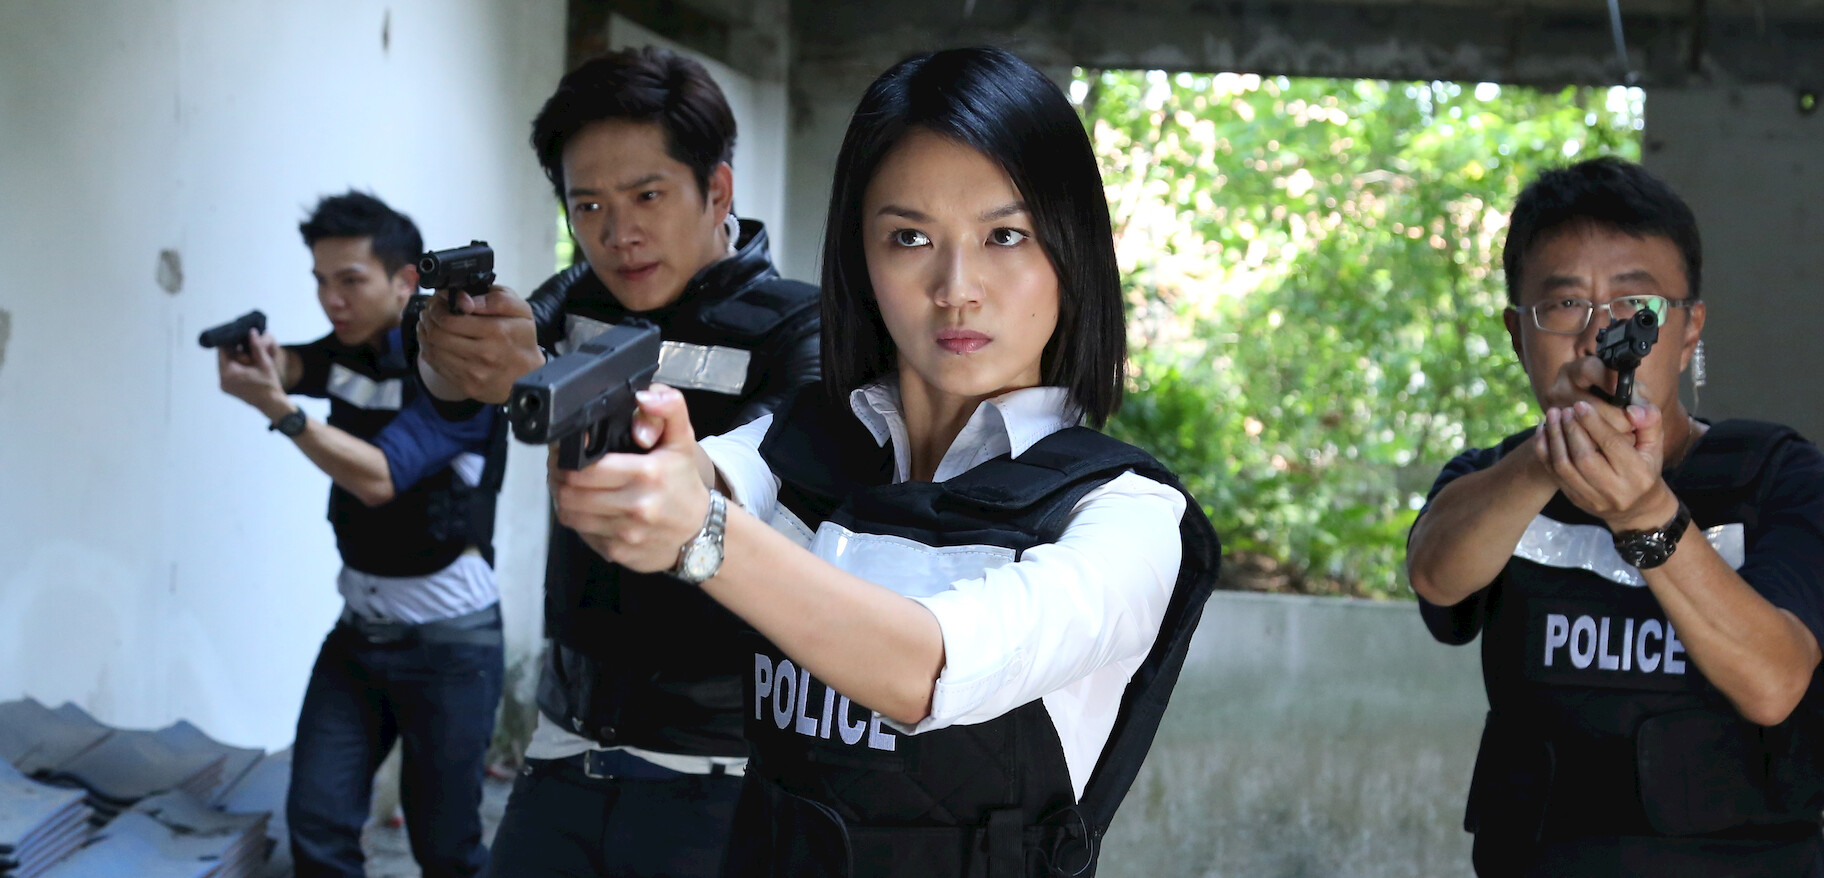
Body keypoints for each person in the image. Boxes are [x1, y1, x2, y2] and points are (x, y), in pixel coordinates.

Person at [546, 47, 1221, 878]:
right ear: (860, 260)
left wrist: (703, 534)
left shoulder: (1126, 517)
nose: (956, 287)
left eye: (1005, 236)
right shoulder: (802, 444)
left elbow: (932, 666)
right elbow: (704, 475)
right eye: (909, 237)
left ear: (1071, 249)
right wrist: (640, 473)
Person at [412, 46, 821, 877]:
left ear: (718, 191)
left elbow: (780, 463)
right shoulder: (578, 296)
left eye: (647, 195)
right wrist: (447, 351)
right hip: (566, 746)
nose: (617, 231)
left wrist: (676, 462)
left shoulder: (800, 326)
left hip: (723, 769)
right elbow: (467, 380)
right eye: (588, 204)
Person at [1406, 157, 1824, 877]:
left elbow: (1773, 686)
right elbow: (1435, 575)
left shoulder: (1782, 478)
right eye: (1565, 304)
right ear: (1518, 334)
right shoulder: (1492, 479)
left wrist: (1650, 516)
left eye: (1635, 304)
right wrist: (1548, 458)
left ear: (1689, 331)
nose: (1599, 336)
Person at [214, 191, 507, 878]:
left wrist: (281, 412)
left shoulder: (461, 369)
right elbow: (299, 367)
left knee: (447, 850)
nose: (331, 300)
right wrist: (263, 361)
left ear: (406, 281)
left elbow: (378, 477)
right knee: (316, 826)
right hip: (358, 636)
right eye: (320, 281)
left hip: (450, 648)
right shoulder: (355, 348)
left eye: (349, 280)